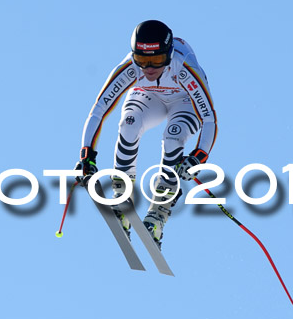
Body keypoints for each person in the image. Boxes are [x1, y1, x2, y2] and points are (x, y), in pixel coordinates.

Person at [75, 20, 217, 248]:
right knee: (128, 126)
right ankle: (123, 195)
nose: (149, 68)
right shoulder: (130, 68)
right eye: (142, 61)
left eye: (157, 60)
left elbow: (209, 117)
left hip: (184, 101)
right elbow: (99, 109)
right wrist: (86, 157)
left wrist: (198, 156)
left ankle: (160, 211)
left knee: (173, 138)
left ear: (169, 55)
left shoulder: (185, 68)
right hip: (147, 96)